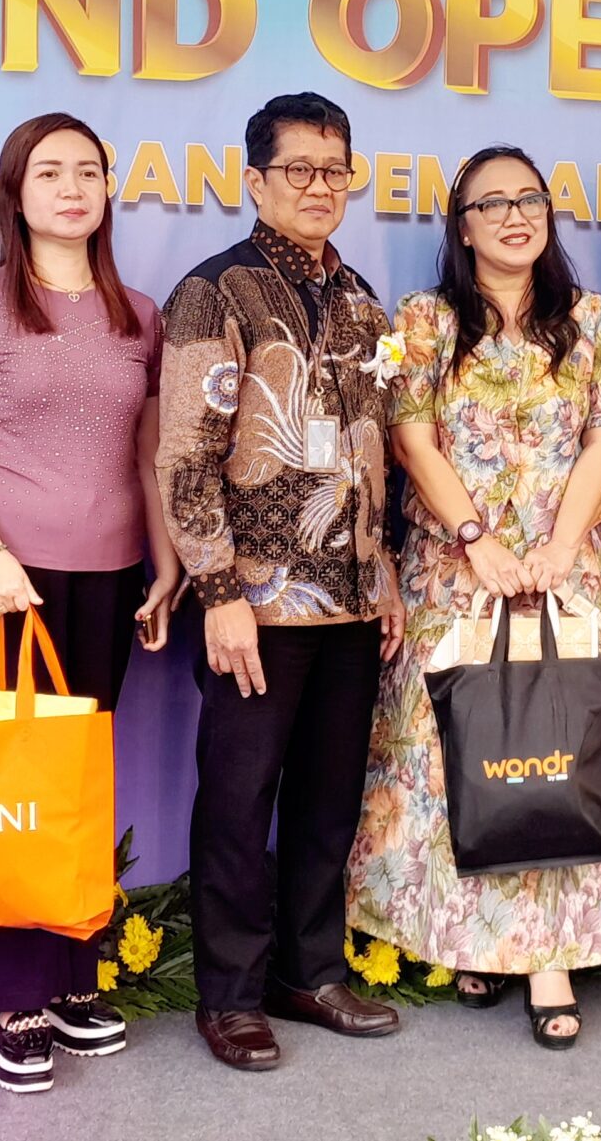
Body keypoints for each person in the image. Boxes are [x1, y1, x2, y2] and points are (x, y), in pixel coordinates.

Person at [346, 146, 601, 1051]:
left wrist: (556, 547)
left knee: (553, 752)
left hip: (564, 572)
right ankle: (470, 938)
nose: (516, 216)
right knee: (463, 751)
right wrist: (478, 539)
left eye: (530, 199)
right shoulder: (426, 319)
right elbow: (411, 438)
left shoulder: (595, 320)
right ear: (464, 225)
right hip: (456, 572)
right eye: (494, 203)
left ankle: (549, 959)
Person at [0, 112, 184, 1091]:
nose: (72, 188)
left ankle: (71, 977)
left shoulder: (138, 314)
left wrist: (164, 566)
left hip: (110, 579)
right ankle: (16, 997)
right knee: (13, 785)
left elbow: (148, 454)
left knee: (72, 784)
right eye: (50, 172)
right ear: (16, 195)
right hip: (7, 580)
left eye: (89, 172)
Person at [156, 92, 406, 1073]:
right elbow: (186, 455)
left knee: (329, 797)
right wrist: (218, 591)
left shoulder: (361, 299)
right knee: (238, 795)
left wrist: (384, 572)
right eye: (298, 168)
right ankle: (228, 993)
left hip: (351, 598)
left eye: (334, 169)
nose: (318, 186)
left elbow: (373, 448)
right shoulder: (214, 291)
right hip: (255, 602)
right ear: (255, 180)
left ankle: (309, 971)